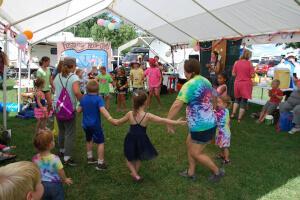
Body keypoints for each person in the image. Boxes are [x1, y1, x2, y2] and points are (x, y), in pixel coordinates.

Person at [167, 59, 225, 183]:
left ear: (190, 72)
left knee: (196, 152)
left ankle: (217, 171)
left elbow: (177, 104)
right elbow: (215, 95)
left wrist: (168, 121)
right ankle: (191, 172)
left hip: (202, 126)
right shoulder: (206, 81)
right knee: (189, 144)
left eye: (185, 72)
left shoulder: (189, 84)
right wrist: (213, 108)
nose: (185, 74)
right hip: (201, 124)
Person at [113, 91, 186, 182]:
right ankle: (135, 174)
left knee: (129, 158)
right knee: (138, 157)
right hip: (142, 139)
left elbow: (117, 122)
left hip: (131, 138)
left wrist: (109, 118)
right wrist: (177, 122)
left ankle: (135, 174)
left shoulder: (130, 114)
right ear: (145, 102)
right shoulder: (147, 116)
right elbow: (162, 120)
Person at [77, 80, 117, 170]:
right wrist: (110, 119)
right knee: (100, 142)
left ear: (87, 89)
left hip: (85, 125)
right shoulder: (98, 98)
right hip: (95, 125)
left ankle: (90, 157)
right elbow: (103, 110)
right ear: (98, 89)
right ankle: (100, 163)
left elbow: (78, 110)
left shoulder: (83, 98)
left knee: (89, 140)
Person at [54, 57, 82, 166]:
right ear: (73, 66)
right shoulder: (73, 77)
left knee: (61, 130)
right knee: (70, 133)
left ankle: (61, 151)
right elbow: (76, 92)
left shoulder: (57, 76)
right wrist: (83, 101)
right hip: (69, 109)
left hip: (58, 107)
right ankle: (67, 157)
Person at [33, 130, 72, 200]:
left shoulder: (35, 158)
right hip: (55, 185)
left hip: (41, 185)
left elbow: (35, 171)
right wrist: (65, 179)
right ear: (50, 145)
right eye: (53, 140)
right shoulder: (55, 159)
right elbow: (61, 171)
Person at [231, 49, 255, 123]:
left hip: (237, 83)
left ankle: (233, 114)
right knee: (244, 101)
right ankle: (239, 118)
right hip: (246, 84)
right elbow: (253, 75)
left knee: (237, 99)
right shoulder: (250, 64)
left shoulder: (236, 62)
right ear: (249, 56)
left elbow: (233, 74)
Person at [215, 95, 232, 164]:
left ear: (225, 104)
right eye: (217, 102)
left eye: (219, 102)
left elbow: (217, 118)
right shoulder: (225, 110)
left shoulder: (222, 112)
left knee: (225, 147)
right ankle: (222, 155)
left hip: (224, 133)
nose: (217, 104)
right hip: (221, 132)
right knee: (221, 145)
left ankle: (227, 160)